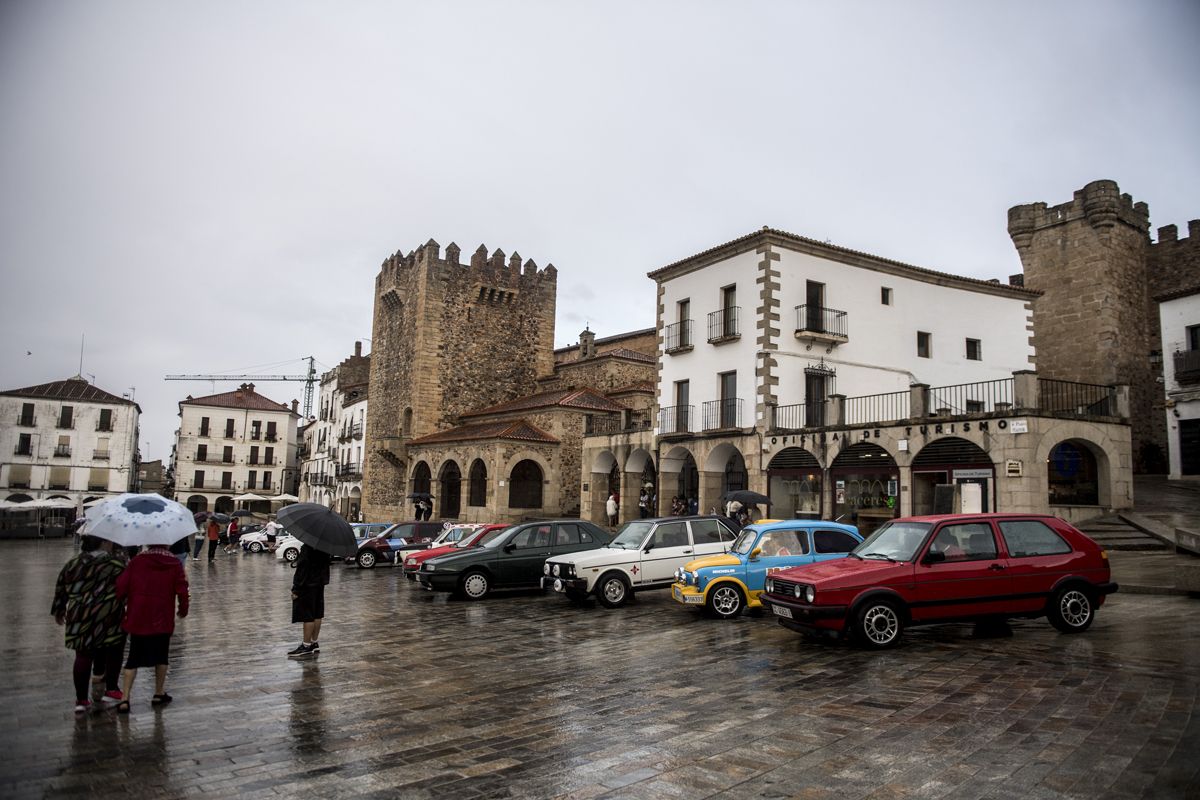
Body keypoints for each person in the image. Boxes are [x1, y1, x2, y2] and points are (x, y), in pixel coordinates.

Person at [51, 535, 128, 713]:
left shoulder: (73, 564)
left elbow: (61, 587)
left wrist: (59, 609)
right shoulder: (116, 565)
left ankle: (81, 700)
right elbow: (125, 588)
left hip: (80, 615)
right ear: (103, 543)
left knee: (83, 655)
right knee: (114, 650)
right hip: (109, 615)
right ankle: (111, 688)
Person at [114, 542, 189, 712]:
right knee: (161, 656)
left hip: (138, 615)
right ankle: (158, 692)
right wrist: (183, 609)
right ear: (167, 544)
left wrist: (123, 600)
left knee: (133, 658)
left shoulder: (137, 561)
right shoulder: (174, 563)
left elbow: (121, 586)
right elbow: (182, 590)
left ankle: (125, 698)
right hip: (162, 616)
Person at [288, 543, 332, 659]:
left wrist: (296, 589)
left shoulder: (308, 547)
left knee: (307, 615)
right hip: (320, 583)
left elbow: (302, 569)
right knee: (317, 613)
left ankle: (306, 645)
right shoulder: (325, 546)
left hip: (307, 584)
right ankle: (314, 642)